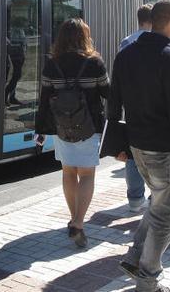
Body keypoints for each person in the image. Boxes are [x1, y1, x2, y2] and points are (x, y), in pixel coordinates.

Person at [107, 0, 170, 292]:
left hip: (137, 146)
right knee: (165, 216)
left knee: (157, 204)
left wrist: (118, 143)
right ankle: (148, 280)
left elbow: (113, 103)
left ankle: (135, 258)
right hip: (165, 149)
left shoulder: (126, 54)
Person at [35, 18, 109, 248]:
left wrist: (40, 130)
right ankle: (78, 222)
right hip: (89, 128)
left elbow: (45, 99)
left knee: (68, 172)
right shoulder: (94, 63)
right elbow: (108, 92)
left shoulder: (51, 64)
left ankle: (73, 217)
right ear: (84, 37)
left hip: (62, 127)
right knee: (86, 174)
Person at [117, 4, 152, 212]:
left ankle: (135, 199)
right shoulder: (160, 42)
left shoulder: (126, 41)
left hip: (131, 104)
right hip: (154, 104)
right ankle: (155, 194)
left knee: (132, 154)